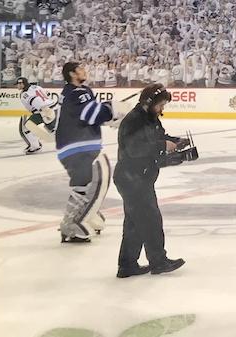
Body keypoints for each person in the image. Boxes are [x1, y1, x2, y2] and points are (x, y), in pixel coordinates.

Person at [115, 84, 194, 278]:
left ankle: (127, 265)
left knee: (135, 223)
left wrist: (175, 142)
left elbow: (158, 138)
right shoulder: (134, 120)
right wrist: (162, 145)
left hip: (138, 177)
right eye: (160, 105)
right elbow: (135, 149)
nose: (162, 109)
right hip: (132, 178)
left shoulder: (150, 118)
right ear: (149, 103)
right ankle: (158, 261)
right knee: (150, 220)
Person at [55, 62, 120, 243]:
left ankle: (85, 217)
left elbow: (88, 117)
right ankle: (73, 225)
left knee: (84, 185)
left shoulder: (70, 92)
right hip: (79, 147)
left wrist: (108, 112)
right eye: (81, 69)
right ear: (72, 74)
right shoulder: (78, 93)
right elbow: (92, 114)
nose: (85, 71)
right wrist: (111, 108)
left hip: (72, 146)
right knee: (95, 182)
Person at [16, 77, 58, 155]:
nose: (17, 86)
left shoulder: (25, 94)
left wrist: (44, 112)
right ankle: (68, 141)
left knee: (26, 127)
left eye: (18, 84)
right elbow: (47, 94)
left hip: (42, 112)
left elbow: (36, 101)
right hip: (51, 109)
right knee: (52, 130)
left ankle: (35, 147)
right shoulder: (36, 87)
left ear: (22, 84)